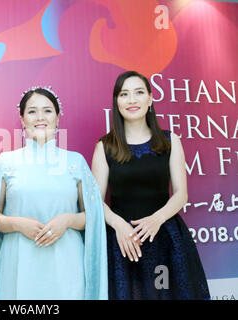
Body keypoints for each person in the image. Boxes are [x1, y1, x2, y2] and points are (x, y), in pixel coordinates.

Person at [0, 86, 108, 299]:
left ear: (58, 117)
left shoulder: (76, 161)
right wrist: (18, 224)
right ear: (23, 119)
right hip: (18, 262)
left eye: (47, 110)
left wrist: (68, 220)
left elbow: (93, 215)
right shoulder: (6, 162)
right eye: (32, 111)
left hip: (66, 263)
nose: (40, 117)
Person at [91, 71, 210, 299]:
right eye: (124, 94)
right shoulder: (105, 146)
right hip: (123, 244)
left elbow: (181, 194)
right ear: (117, 102)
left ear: (150, 98)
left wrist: (156, 219)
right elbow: (95, 199)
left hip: (164, 240)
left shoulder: (169, 140)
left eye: (138, 93)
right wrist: (119, 225)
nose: (132, 100)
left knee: (164, 293)